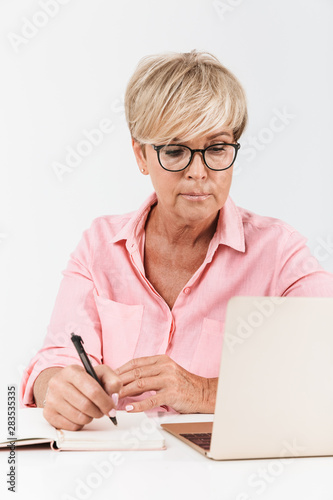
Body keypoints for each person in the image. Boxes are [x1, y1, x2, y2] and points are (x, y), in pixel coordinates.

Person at [20, 50, 333, 431]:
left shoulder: (280, 255)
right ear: (140, 154)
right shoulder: (99, 245)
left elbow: (323, 372)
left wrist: (203, 392)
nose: (198, 173)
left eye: (217, 148)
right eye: (175, 151)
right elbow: (53, 361)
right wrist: (58, 388)